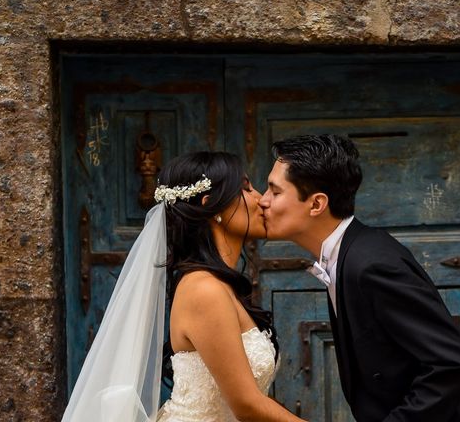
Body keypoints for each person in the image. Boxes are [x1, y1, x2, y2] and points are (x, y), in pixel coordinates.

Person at [259, 134, 460, 422]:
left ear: (316, 204)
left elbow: (453, 362)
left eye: (275, 192)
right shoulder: (349, 254)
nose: (263, 201)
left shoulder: (372, 264)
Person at [62, 151, 305, 422]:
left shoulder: (219, 284)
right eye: (246, 188)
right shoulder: (204, 290)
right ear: (211, 205)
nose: (261, 199)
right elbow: (246, 404)